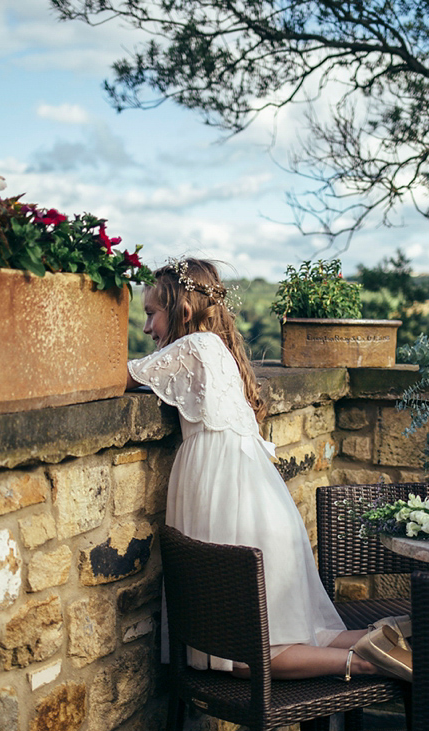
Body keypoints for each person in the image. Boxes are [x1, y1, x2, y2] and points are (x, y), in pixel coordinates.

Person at [127, 257, 409, 681]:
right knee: (298, 631)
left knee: (246, 656)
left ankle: (367, 662)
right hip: (258, 498)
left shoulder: (193, 347)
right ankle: (386, 638)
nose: (147, 328)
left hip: (229, 499)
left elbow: (122, 378)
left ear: (183, 309)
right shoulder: (215, 348)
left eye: (151, 313)